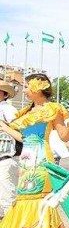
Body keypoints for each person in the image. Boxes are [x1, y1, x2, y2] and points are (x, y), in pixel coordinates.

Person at [0, 73, 69, 228]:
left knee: (37, 199)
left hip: (41, 159)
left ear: (36, 87)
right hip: (26, 158)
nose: (24, 90)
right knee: (25, 199)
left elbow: (64, 137)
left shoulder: (53, 108)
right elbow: (23, 138)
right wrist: (3, 127)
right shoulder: (27, 111)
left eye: (26, 86)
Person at [0, 81, 18, 219]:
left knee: (7, 200)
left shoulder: (8, 110)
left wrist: (5, 126)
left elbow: (19, 129)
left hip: (4, 158)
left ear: (4, 94)